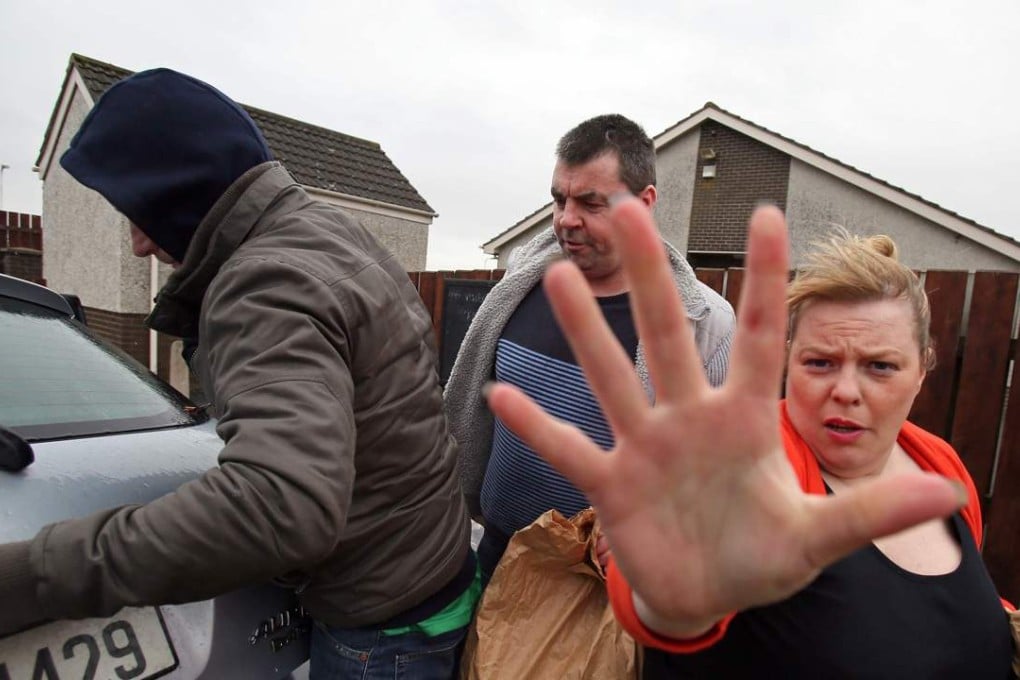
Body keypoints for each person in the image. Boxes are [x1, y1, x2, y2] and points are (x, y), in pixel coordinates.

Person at [0, 68, 476, 679]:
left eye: (138, 210)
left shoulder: (263, 282)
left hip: (381, 633)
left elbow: (279, 506)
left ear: (183, 188)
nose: (140, 243)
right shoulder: (329, 233)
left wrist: (32, 577)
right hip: (430, 578)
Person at [486, 199, 1018, 677]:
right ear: (789, 358)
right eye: (820, 362)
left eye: (880, 366)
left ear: (922, 369)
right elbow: (672, 596)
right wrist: (673, 601)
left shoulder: (936, 462)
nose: (846, 391)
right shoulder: (746, 469)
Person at [444, 114, 735, 583]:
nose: (566, 220)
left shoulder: (705, 324)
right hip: (495, 552)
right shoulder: (523, 281)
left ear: (643, 204)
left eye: (590, 203)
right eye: (559, 199)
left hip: (598, 583)